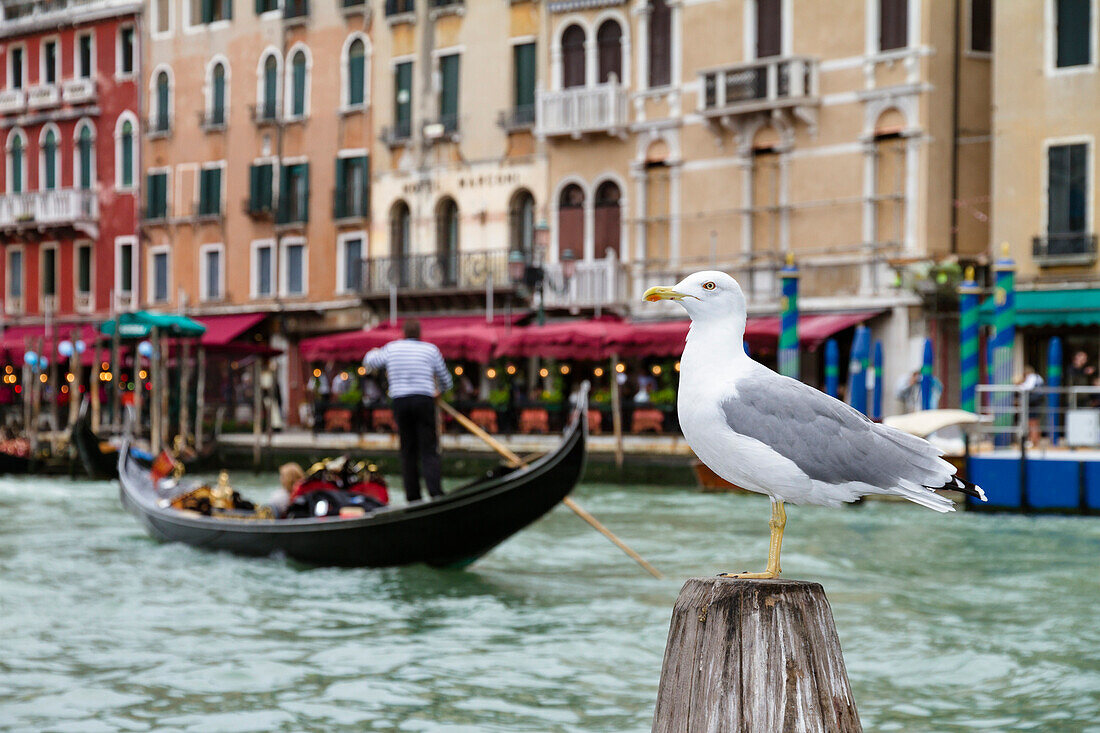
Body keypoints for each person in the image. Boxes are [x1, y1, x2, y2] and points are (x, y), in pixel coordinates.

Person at [363, 319, 453, 503]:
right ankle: (435, 493)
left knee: (408, 450)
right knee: (429, 449)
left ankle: (413, 497)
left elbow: (369, 362)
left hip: (401, 401)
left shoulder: (392, 348)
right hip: (424, 399)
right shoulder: (431, 350)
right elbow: (446, 380)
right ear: (420, 334)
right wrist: (440, 391)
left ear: (403, 333)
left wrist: (373, 351)